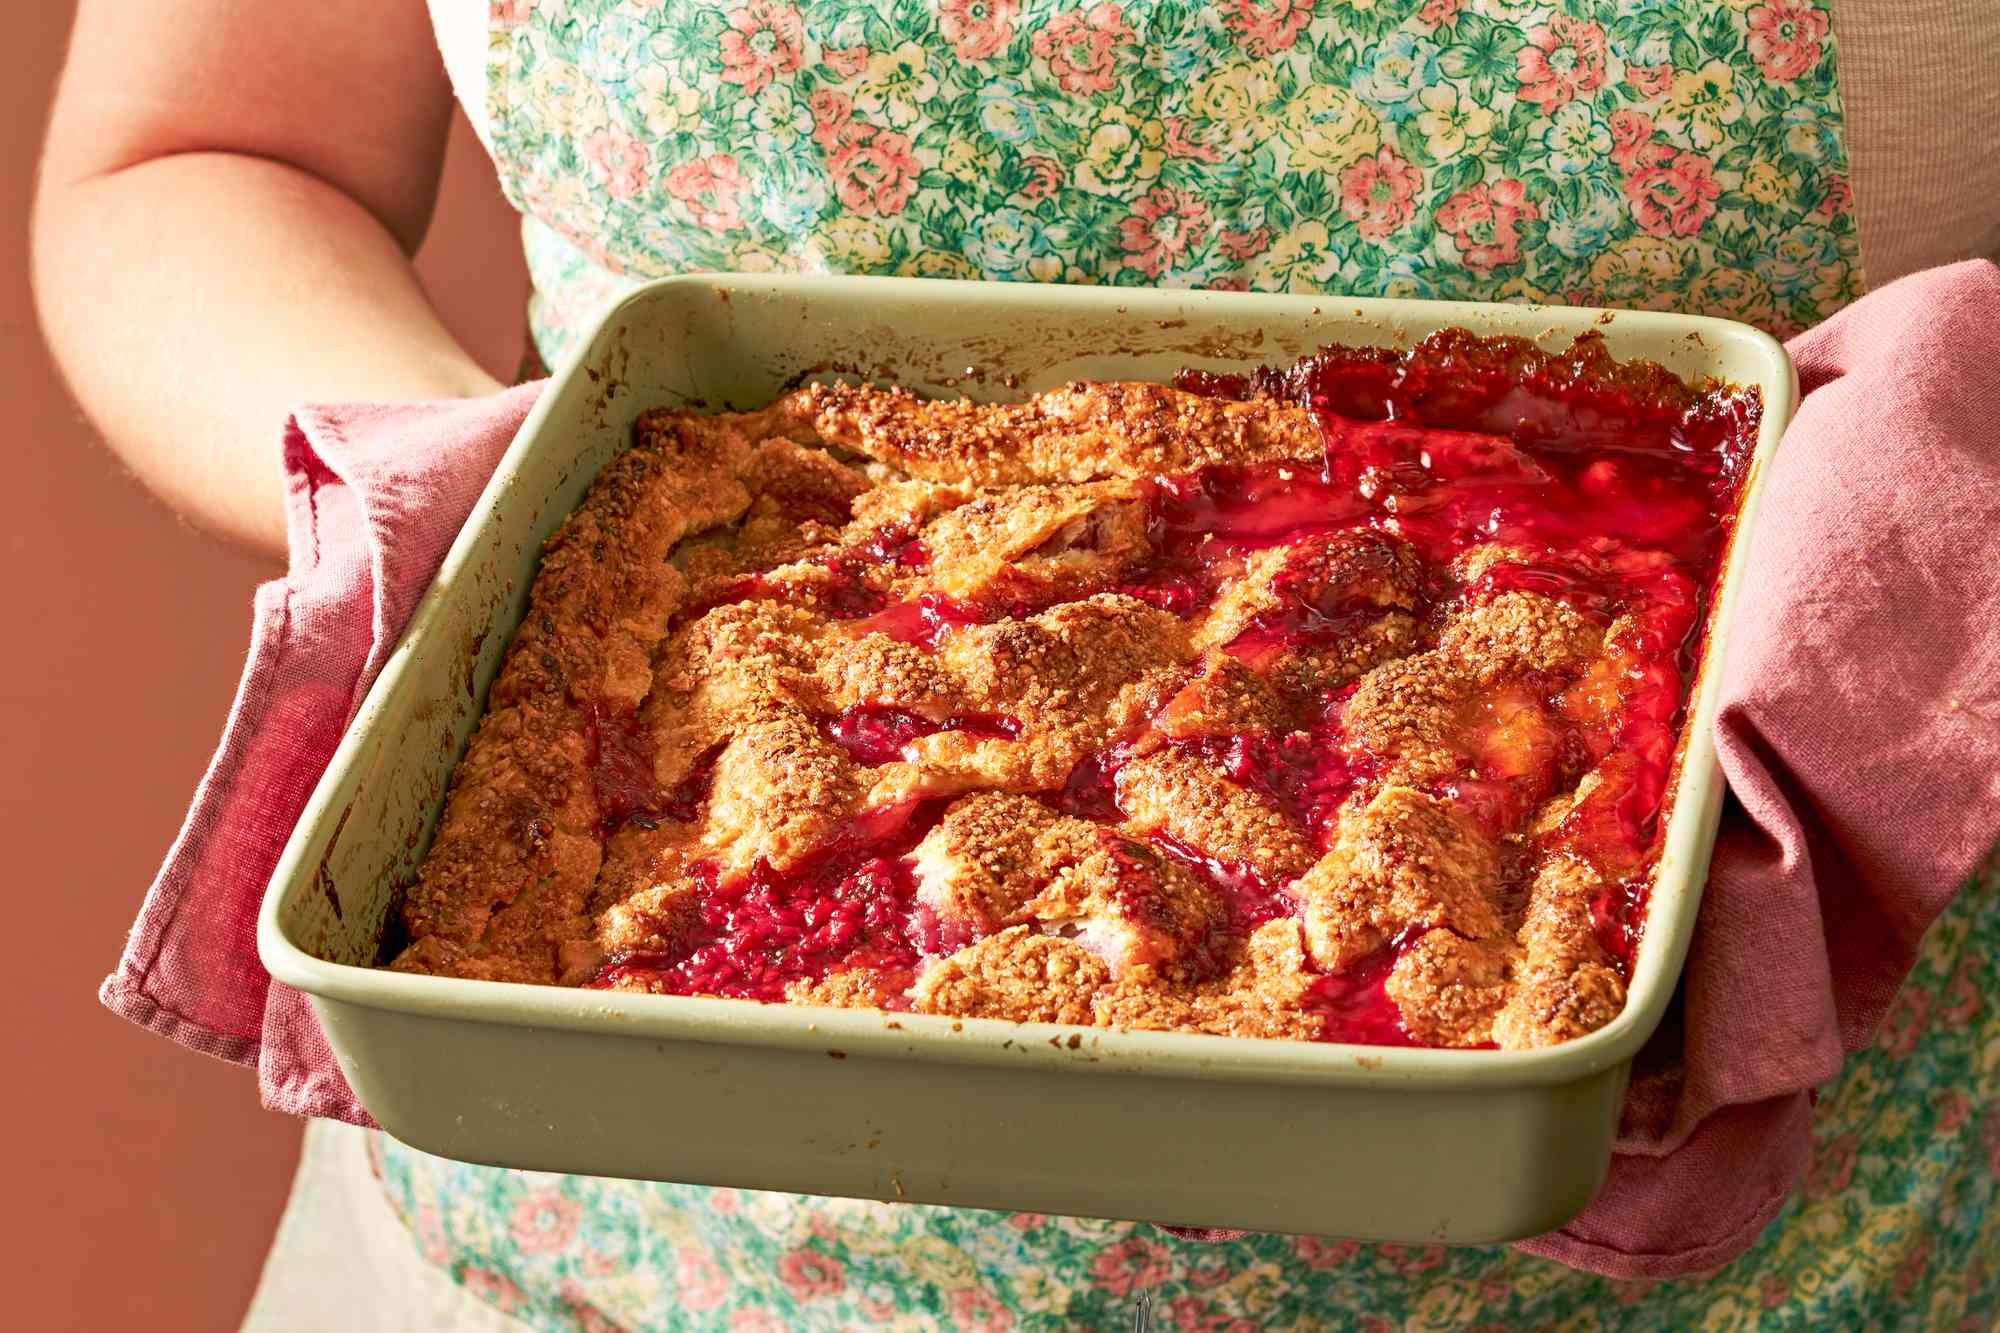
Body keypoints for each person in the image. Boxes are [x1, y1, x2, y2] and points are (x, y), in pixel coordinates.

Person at [31, 1, 2000, 1327]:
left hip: (1810, 1246)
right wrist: (494, 524)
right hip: (620, 1258)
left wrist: (1931, 545)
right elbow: (210, 148)